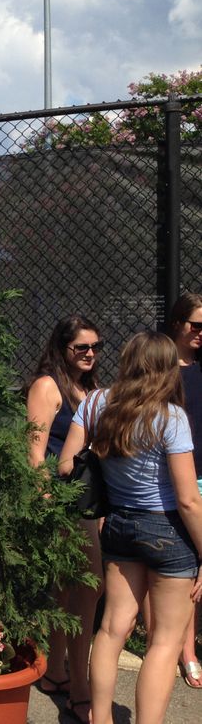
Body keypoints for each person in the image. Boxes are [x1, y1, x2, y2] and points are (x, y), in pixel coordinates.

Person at [60, 331, 202, 724]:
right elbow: (188, 499)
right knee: (164, 642)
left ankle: (100, 718)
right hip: (168, 530)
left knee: (111, 629)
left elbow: (67, 465)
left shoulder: (96, 402)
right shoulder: (170, 416)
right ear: (167, 368)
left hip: (118, 524)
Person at [26, 315, 103, 720]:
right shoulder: (47, 386)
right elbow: (35, 453)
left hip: (88, 500)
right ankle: (79, 687)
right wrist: (46, 504)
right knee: (89, 587)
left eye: (96, 347)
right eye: (81, 347)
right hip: (62, 502)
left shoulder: (90, 388)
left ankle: (56, 672)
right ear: (62, 347)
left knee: (67, 590)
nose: (90, 354)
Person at [161, 293, 202, 688]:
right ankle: (185, 650)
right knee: (188, 563)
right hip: (178, 477)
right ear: (177, 324)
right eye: (196, 325)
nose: (201, 333)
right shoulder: (161, 369)